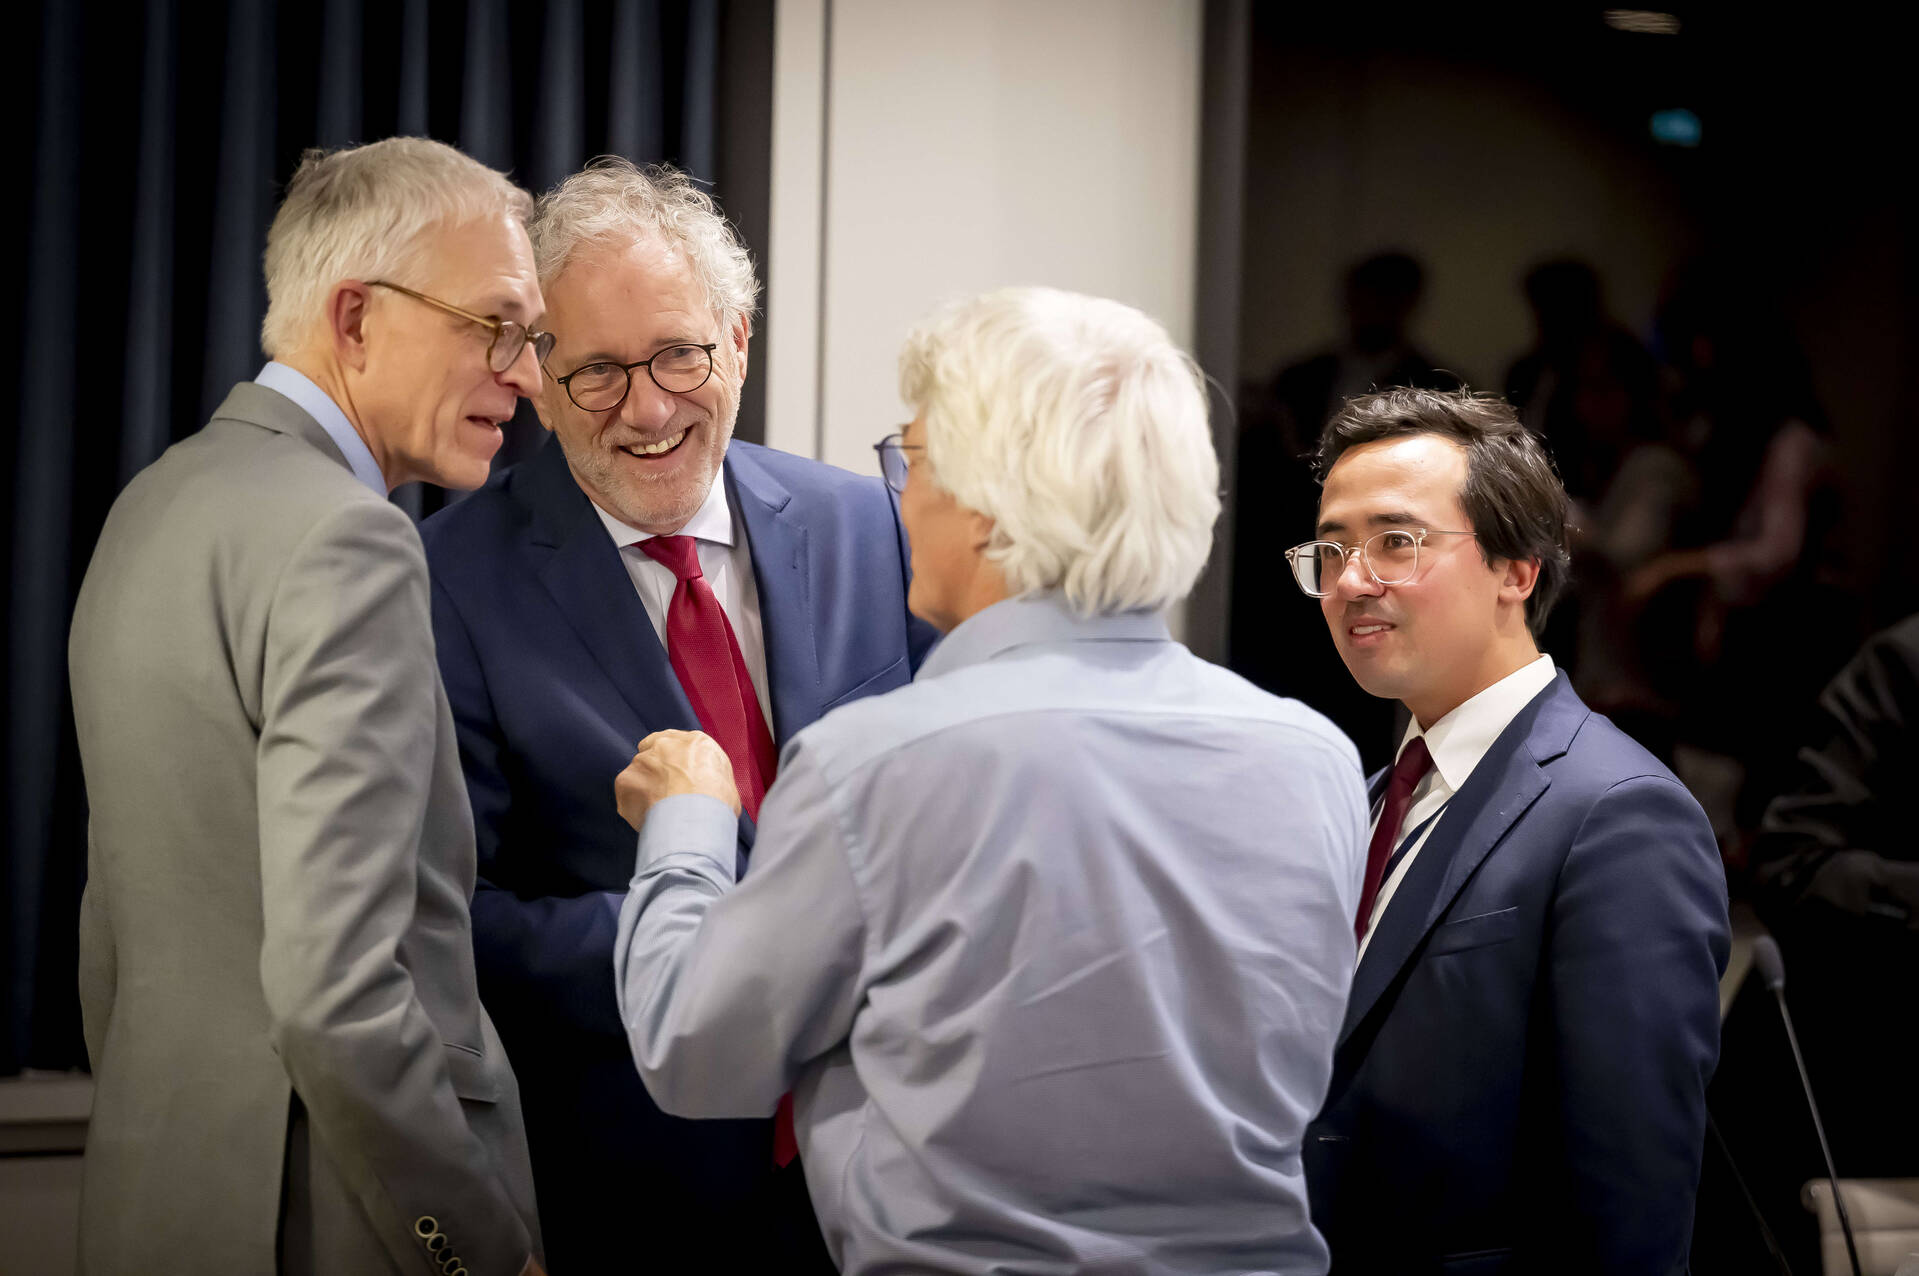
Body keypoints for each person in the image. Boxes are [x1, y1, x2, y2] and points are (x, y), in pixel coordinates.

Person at [608, 286, 1370, 1275]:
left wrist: (686, 825)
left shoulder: (873, 765)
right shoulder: (1314, 760)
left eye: (909, 461)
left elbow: (694, 1048)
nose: (898, 497)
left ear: (983, 507)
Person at [418, 157, 934, 1271]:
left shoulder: (873, 527)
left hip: (900, 1173)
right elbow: (453, 918)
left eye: (678, 355)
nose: (646, 408)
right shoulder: (445, 581)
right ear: (538, 377)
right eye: (597, 370)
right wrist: (718, 937)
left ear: (737, 342)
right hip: (636, 1185)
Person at [69, 138, 547, 1275]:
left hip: (158, 1201)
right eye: (495, 325)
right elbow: (339, 991)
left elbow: (114, 937)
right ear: (354, 319)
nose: (524, 374)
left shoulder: (152, 500)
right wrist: (473, 1247)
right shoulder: (354, 537)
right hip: (334, 1223)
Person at [1289, 387, 1729, 1272]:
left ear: (1517, 569)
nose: (1349, 581)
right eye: (1329, 550)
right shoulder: (1371, 794)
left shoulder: (1615, 814)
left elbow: (1634, 1200)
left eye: (1395, 542)